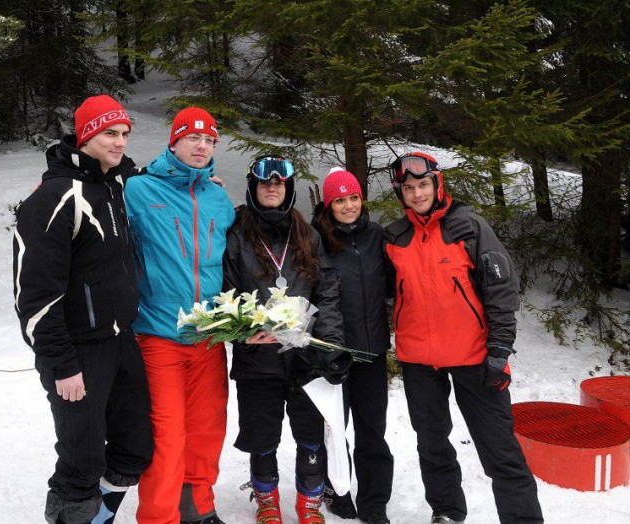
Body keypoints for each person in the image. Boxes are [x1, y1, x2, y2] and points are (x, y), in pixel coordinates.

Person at [13, 94, 153, 524]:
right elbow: (34, 296)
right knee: (81, 463)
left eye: (125, 134)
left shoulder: (115, 184)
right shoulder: (53, 198)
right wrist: (61, 364)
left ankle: (100, 517)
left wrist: (199, 182)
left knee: (134, 447)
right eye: (110, 133)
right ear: (86, 136)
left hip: (120, 341)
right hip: (75, 351)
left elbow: (155, 178)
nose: (120, 142)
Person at [383, 152, 543, 524]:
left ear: (437, 184)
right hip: (419, 360)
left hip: (476, 357)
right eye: (409, 188)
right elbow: (382, 290)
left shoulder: (469, 227)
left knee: (500, 449)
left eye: (423, 185)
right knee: (432, 443)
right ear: (400, 193)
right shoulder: (394, 237)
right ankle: (447, 511)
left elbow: (502, 289)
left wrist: (499, 347)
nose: (418, 194)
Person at [223, 155, 351, 524]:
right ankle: (267, 501)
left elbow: (327, 293)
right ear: (253, 188)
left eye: (279, 183)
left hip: (305, 359)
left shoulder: (308, 235)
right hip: (257, 359)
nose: (272, 188)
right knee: (262, 437)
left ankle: (309, 503)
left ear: (289, 189)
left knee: (310, 435)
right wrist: (246, 330)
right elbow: (226, 292)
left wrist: (329, 347)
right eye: (265, 183)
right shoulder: (237, 237)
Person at [124, 107, 235, 524]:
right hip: (159, 335)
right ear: (174, 141)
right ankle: (159, 517)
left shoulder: (219, 198)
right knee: (167, 437)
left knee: (207, 430)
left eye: (209, 140)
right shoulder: (138, 189)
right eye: (193, 138)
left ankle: (198, 509)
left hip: (209, 337)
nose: (202, 146)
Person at [312, 168, 394, 524]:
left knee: (372, 429)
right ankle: (337, 490)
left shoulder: (377, 236)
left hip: (371, 351)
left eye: (354, 197)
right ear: (328, 205)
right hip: (333, 352)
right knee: (333, 428)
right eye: (340, 200)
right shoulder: (317, 240)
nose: (349, 206)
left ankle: (375, 500)